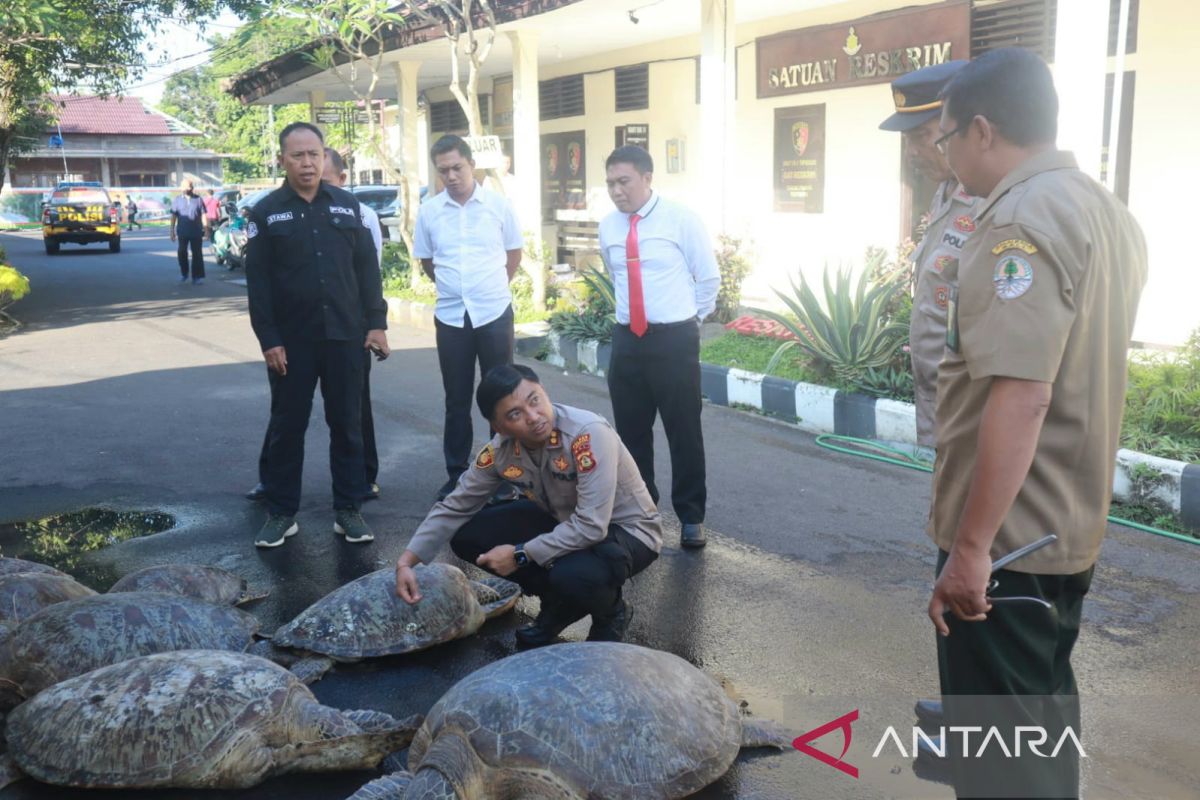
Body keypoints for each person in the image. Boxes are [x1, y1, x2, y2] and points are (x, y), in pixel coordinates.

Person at [925, 48, 1147, 797]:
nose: (945, 155)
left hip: (1008, 546)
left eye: (945, 137)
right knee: (1042, 731)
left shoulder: (1018, 220)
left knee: (999, 767)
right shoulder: (1104, 210)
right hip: (1065, 527)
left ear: (982, 131)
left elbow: (1023, 394)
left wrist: (971, 549)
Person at [395, 364, 661, 646]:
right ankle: (560, 603)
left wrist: (521, 554)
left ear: (544, 391)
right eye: (515, 414)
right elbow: (455, 505)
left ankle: (611, 613)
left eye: (534, 400)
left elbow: (592, 526)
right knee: (468, 535)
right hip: (565, 522)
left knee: (573, 574)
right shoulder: (500, 451)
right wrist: (406, 562)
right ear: (498, 427)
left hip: (625, 532)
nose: (533, 417)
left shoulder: (588, 434)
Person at [244, 121, 389, 548]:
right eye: (297, 155)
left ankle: (348, 510)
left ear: (324, 156)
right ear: (282, 160)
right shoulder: (266, 213)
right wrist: (269, 339)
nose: (307, 163)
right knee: (288, 426)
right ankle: (281, 513)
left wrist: (376, 324)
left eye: (314, 154)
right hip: (292, 343)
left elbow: (368, 271)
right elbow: (259, 284)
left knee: (347, 424)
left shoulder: (348, 207)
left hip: (345, 337)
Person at [599, 145, 720, 548]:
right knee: (631, 434)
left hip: (673, 341)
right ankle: (642, 513)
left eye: (624, 181)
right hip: (626, 342)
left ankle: (691, 516)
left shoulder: (681, 220)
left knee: (683, 430)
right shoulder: (609, 227)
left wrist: (688, 321)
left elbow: (707, 279)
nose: (617, 191)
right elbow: (614, 274)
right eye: (611, 183)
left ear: (647, 178)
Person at [413, 134, 524, 503]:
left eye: (457, 167)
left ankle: (506, 473)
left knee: (503, 396)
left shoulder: (498, 206)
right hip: (451, 316)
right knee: (456, 397)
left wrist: (487, 287)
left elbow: (513, 254)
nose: (451, 176)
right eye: (443, 171)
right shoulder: (429, 212)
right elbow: (429, 262)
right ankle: (457, 474)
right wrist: (457, 288)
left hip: (493, 312)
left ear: (471, 164)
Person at [878, 60, 981, 450]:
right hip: (941, 405)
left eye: (921, 136)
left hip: (969, 412)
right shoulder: (947, 190)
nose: (912, 153)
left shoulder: (991, 201)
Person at [170, 180, 209, 285]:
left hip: (196, 231)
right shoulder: (177, 200)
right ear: (181, 188)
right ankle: (184, 273)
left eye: (190, 187)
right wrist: (171, 231)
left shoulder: (198, 200)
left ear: (192, 188)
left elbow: (204, 215)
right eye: (186, 187)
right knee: (182, 252)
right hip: (182, 231)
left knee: (197, 254)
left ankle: (197, 276)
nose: (188, 189)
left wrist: (206, 230)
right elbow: (173, 216)